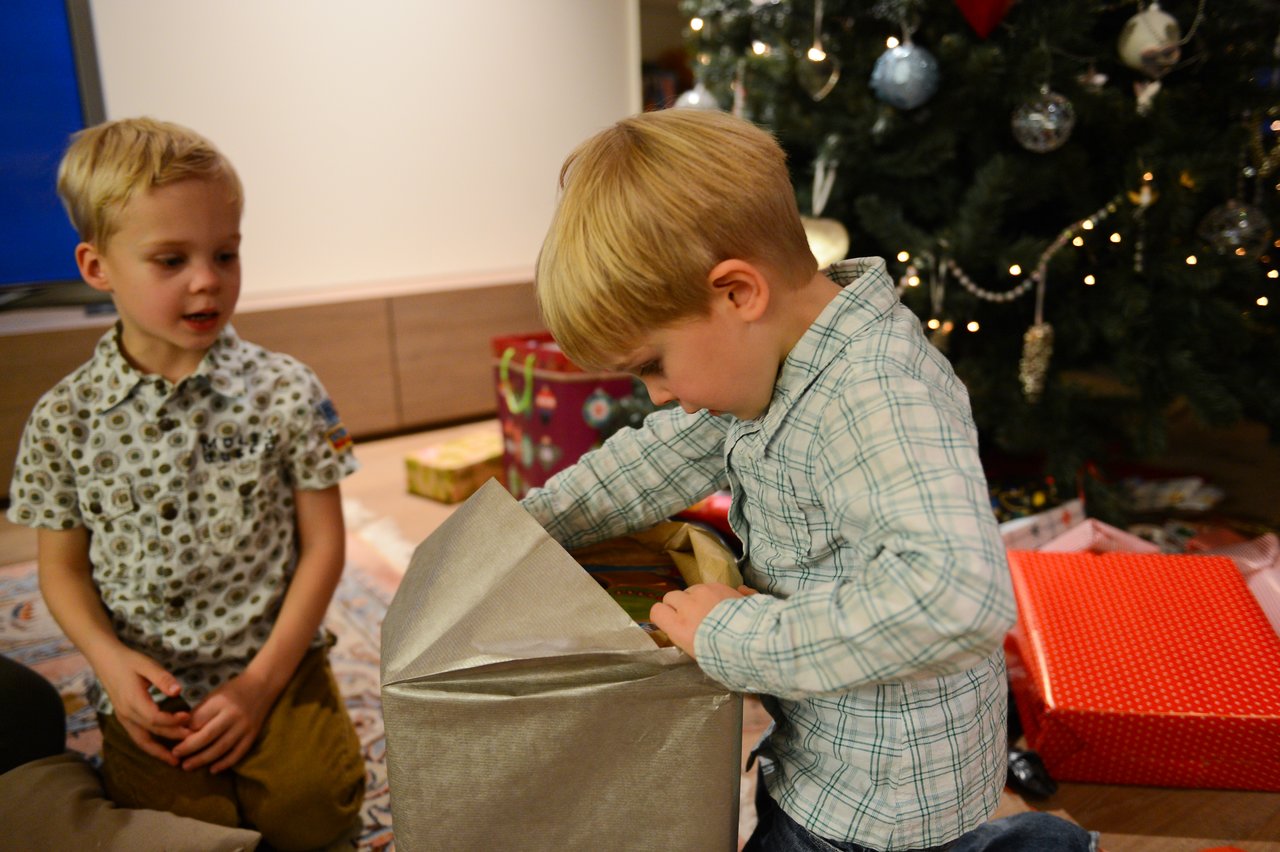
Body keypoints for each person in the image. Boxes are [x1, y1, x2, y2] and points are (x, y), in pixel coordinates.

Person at [521, 108, 1096, 851]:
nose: (657, 394)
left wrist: (730, 633)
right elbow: (661, 452)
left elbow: (957, 597)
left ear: (736, 294)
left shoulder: (875, 394)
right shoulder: (775, 354)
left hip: (879, 802)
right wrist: (525, 526)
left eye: (653, 365)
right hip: (819, 750)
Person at [6, 117, 365, 849]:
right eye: (170, 260)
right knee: (185, 835)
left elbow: (324, 544)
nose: (208, 279)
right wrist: (110, 665)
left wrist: (263, 684)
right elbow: (61, 568)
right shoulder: (62, 419)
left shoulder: (287, 390)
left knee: (314, 812)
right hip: (151, 687)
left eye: (225, 254)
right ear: (96, 266)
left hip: (275, 662)